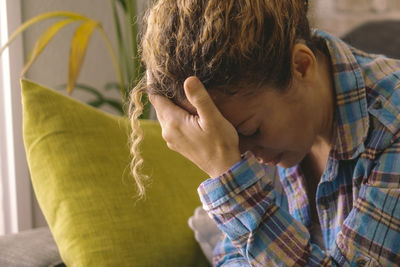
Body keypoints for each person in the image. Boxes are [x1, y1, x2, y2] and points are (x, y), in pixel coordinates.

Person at [129, 0, 400, 266]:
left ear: (301, 67)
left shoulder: (392, 125)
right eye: (228, 141)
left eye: (251, 130)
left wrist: (227, 178)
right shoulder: (271, 128)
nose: (245, 155)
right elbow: (231, 256)